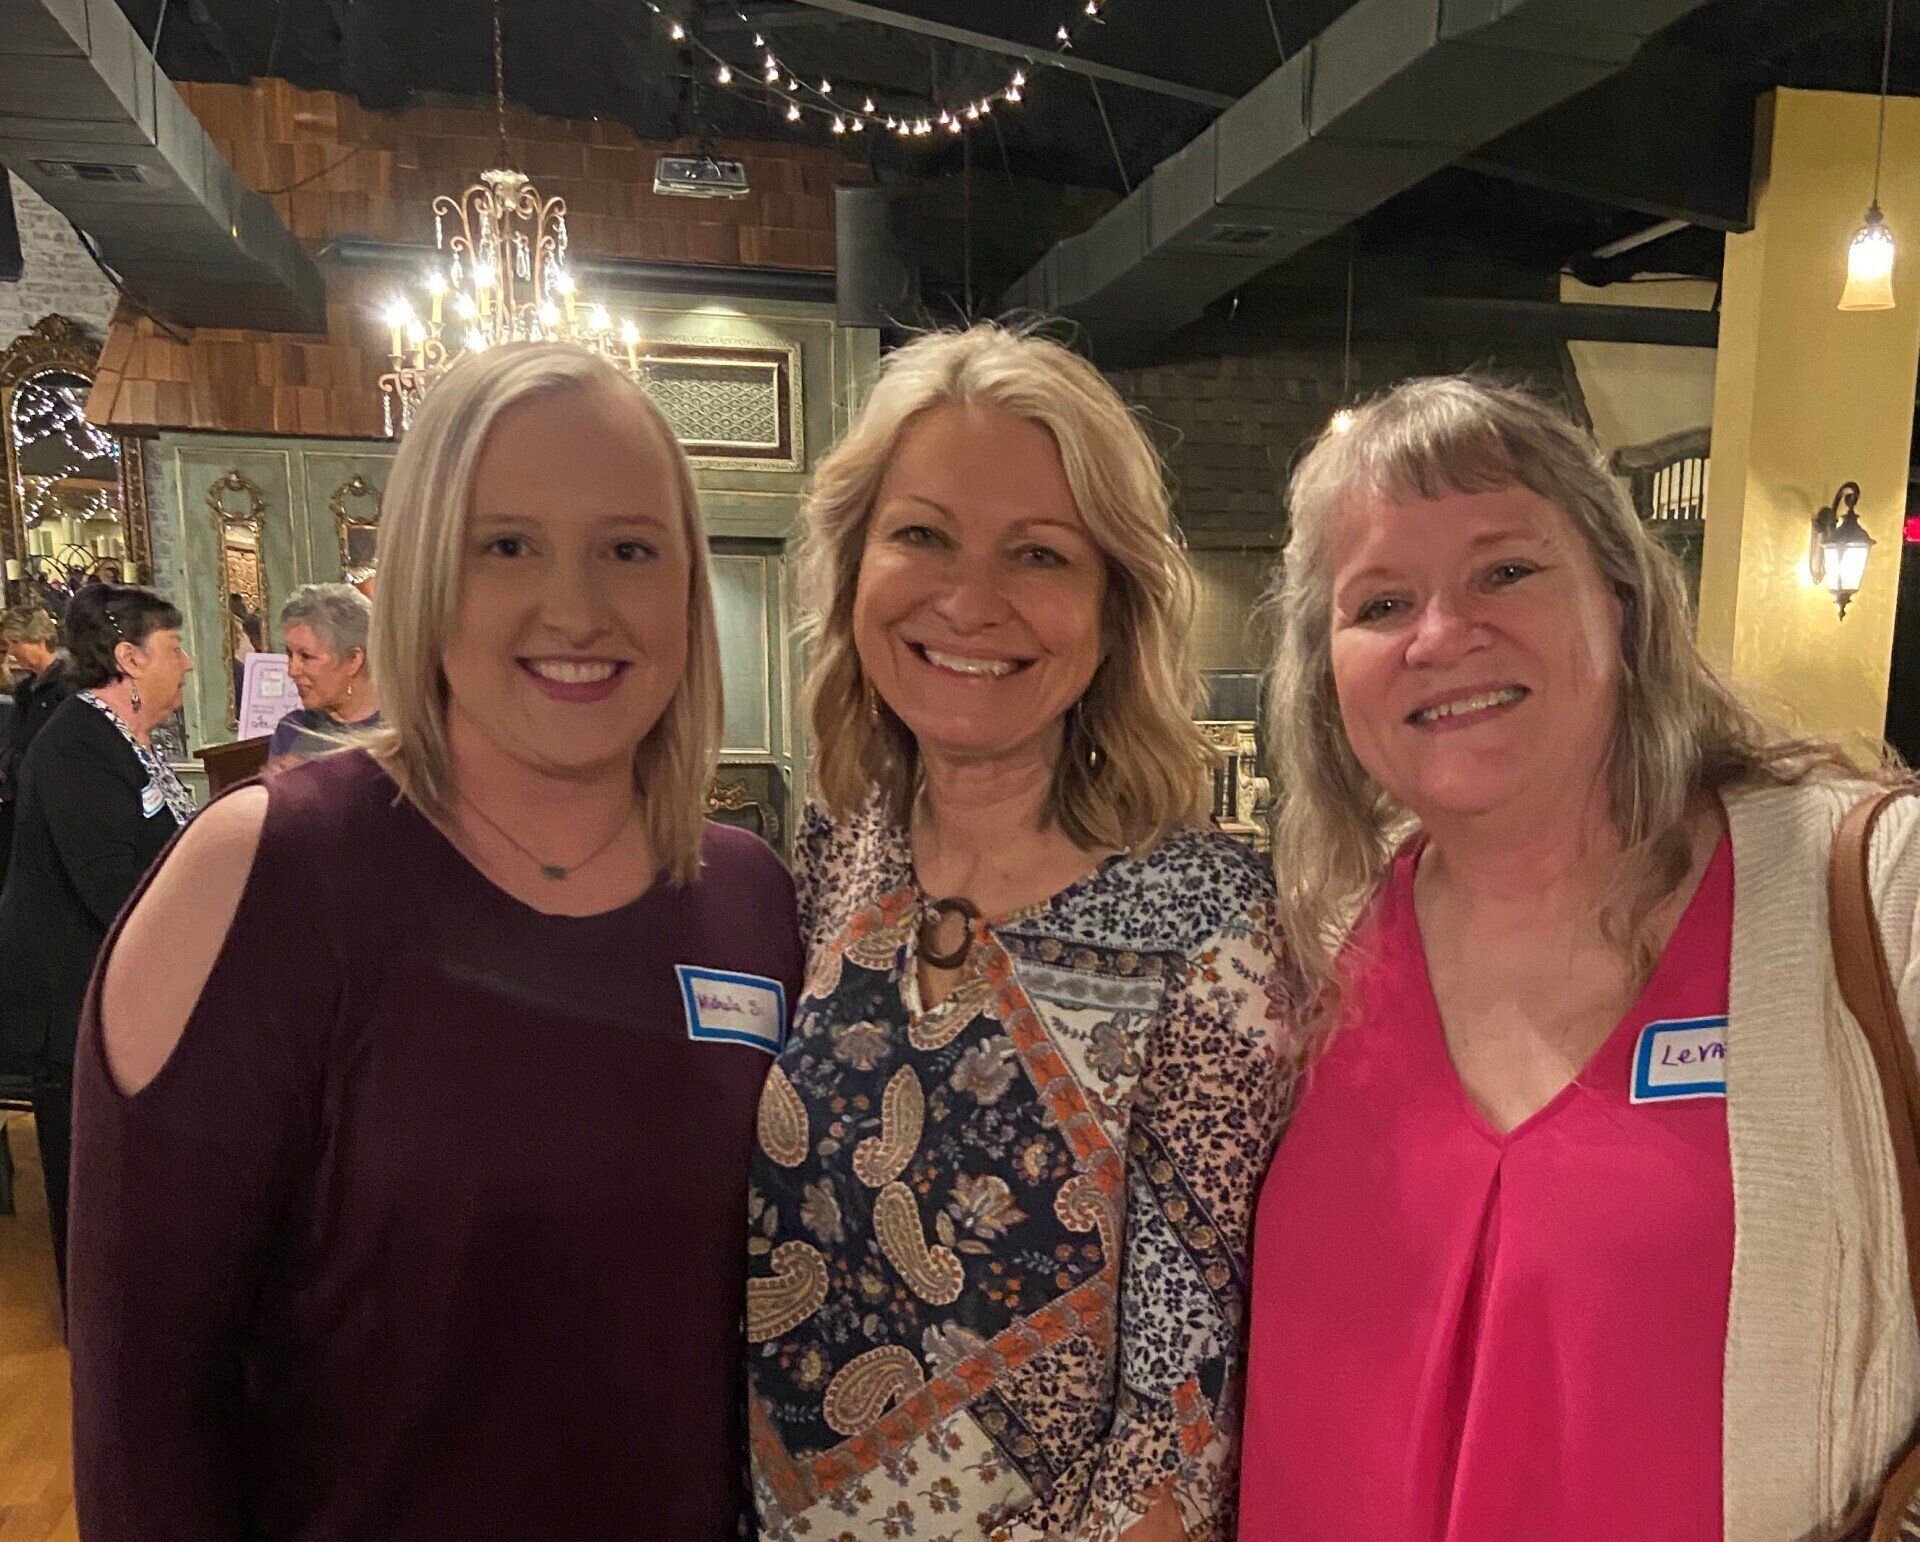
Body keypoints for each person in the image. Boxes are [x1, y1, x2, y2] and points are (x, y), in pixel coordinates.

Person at [66, 343, 803, 1541]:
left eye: (629, 548)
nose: (576, 607)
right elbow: (142, 1418)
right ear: (420, 577)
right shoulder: (262, 877)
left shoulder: (750, 900)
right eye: (505, 545)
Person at [1239, 375, 1920, 1541]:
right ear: (1325, 678)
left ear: (1623, 599)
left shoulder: (1870, 891)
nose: (1443, 636)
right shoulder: (1305, 947)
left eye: (1505, 570)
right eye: (1381, 603)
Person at [747, 325, 1287, 1542]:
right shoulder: (835, 856)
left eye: (1038, 554)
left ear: (1113, 606)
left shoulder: (1211, 928)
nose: (969, 601)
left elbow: (1183, 1399)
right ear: (853, 570)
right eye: (922, 535)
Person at [0, 585, 193, 1296]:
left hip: (110, 990)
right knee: (88, 1174)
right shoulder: (80, 746)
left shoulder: (119, 736)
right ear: (128, 659)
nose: (189, 663)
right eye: (174, 648)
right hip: (70, 998)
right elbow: (113, 887)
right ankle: (102, 1320)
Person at [266, 582, 382, 767]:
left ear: (353, 659)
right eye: (289, 654)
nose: (292, 671)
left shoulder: (402, 733)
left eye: (306, 656)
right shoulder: (292, 730)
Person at [0, 604, 71, 891]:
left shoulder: (67, 686)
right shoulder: (26, 689)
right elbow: (15, 740)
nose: (13, 651)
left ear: (39, 639)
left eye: (16, 642)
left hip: (53, 797)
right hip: (21, 794)